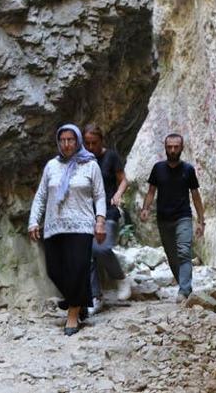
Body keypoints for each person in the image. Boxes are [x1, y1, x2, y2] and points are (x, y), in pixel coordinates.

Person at [28, 124, 107, 335]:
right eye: (62, 140)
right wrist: (33, 221)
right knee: (54, 270)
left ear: (78, 140)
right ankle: (80, 300)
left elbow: (100, 195)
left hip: (82, 225)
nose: (66, 144)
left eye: (71, 139)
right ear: (58, 142)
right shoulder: (51, 166)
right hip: (55, 226)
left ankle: (72, 314)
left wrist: (100, 221)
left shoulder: (90, 165)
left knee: (78, 269)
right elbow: (41, 196)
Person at [140, 133, 205, 302]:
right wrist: (146, 208)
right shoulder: (158, 168)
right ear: (165, 148)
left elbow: (196, 196)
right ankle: (185, 287)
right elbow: (151, 191)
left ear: (182, 148)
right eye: (170, 147)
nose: (173, 150)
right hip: (163, 219)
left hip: (183, 216)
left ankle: (183, 291)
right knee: (172, 256)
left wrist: (200, 221)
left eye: (176, 147)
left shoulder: (188, 170)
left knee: (184, 252)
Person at [83, 124, 133, 314]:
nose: (90, 147)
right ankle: (95, 297)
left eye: (93, 143)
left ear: (101, 141)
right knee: (87, 254)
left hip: (109, 211)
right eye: (86, 143)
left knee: (100, 248)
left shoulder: (110, 157)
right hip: (87, 213)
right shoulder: (82, 159)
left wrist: (118, 194)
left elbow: (124, 180)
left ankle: (120, 278)